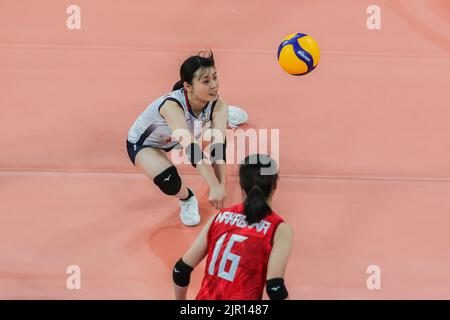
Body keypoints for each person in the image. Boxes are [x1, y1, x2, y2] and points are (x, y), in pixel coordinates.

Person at [126, 51, 246, 226]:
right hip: (147, 144)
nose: (214, 85)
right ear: (188, 86)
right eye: (206, 81)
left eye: (215, 77)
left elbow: (218, 148)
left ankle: (221, 117)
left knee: (213, 123)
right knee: (168, 182)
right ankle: (187, 198)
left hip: (183, 130)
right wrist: (213, 186)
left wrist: (221, 185)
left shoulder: (219, 105)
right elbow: (192, 150)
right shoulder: (170, 107)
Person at [172, 154, 293, 300]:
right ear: (275, 185)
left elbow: (181, 270)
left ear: (241, 185)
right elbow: (275, 288)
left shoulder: (220, 217)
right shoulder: (278, 228)